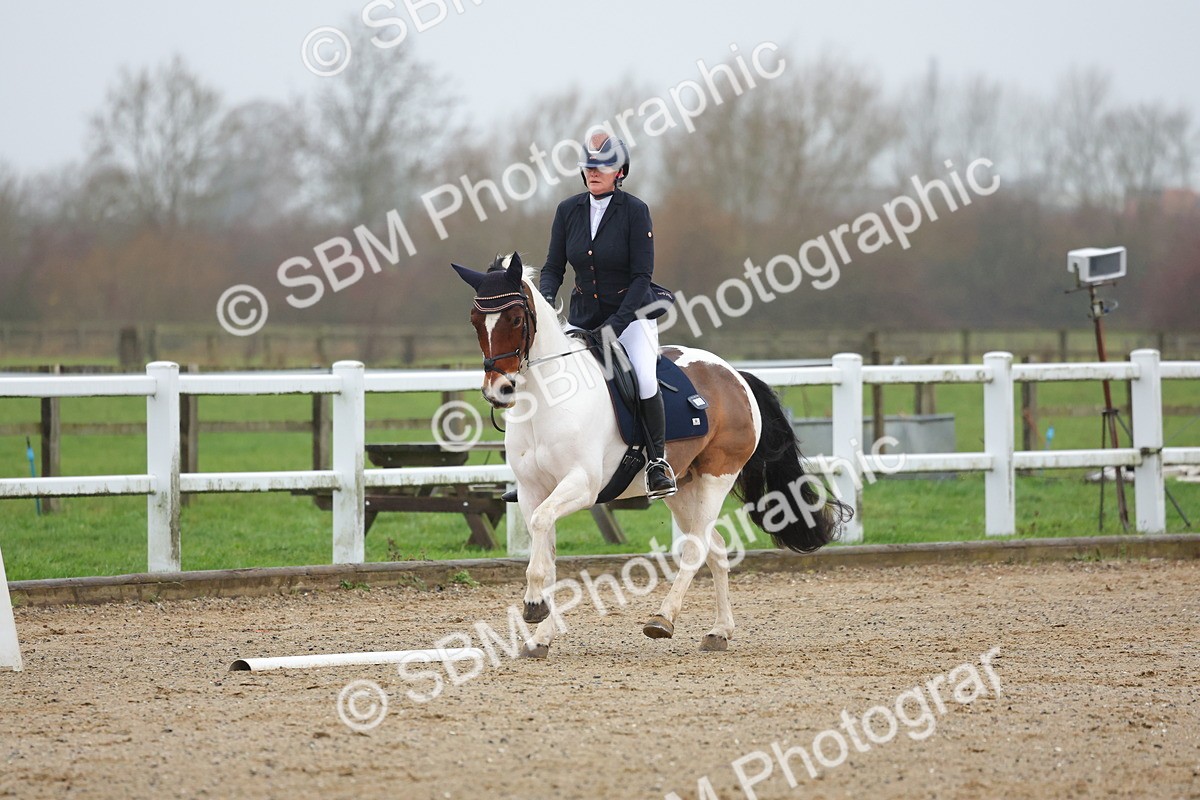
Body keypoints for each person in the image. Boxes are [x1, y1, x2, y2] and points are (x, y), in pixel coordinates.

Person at [539, 130, 676, 499]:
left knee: (645, 379)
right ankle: (538, 465)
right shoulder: (568, 211)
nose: (593, 172)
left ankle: (657, 464)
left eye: (602, 166)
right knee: (550, 378)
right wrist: (546, 297)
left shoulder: (635, 211)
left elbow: (640, 277)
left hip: (630, 317)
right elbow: (553, 266)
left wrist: (617, 326)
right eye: (588, 165)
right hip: (582, 317)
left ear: (620, 171)